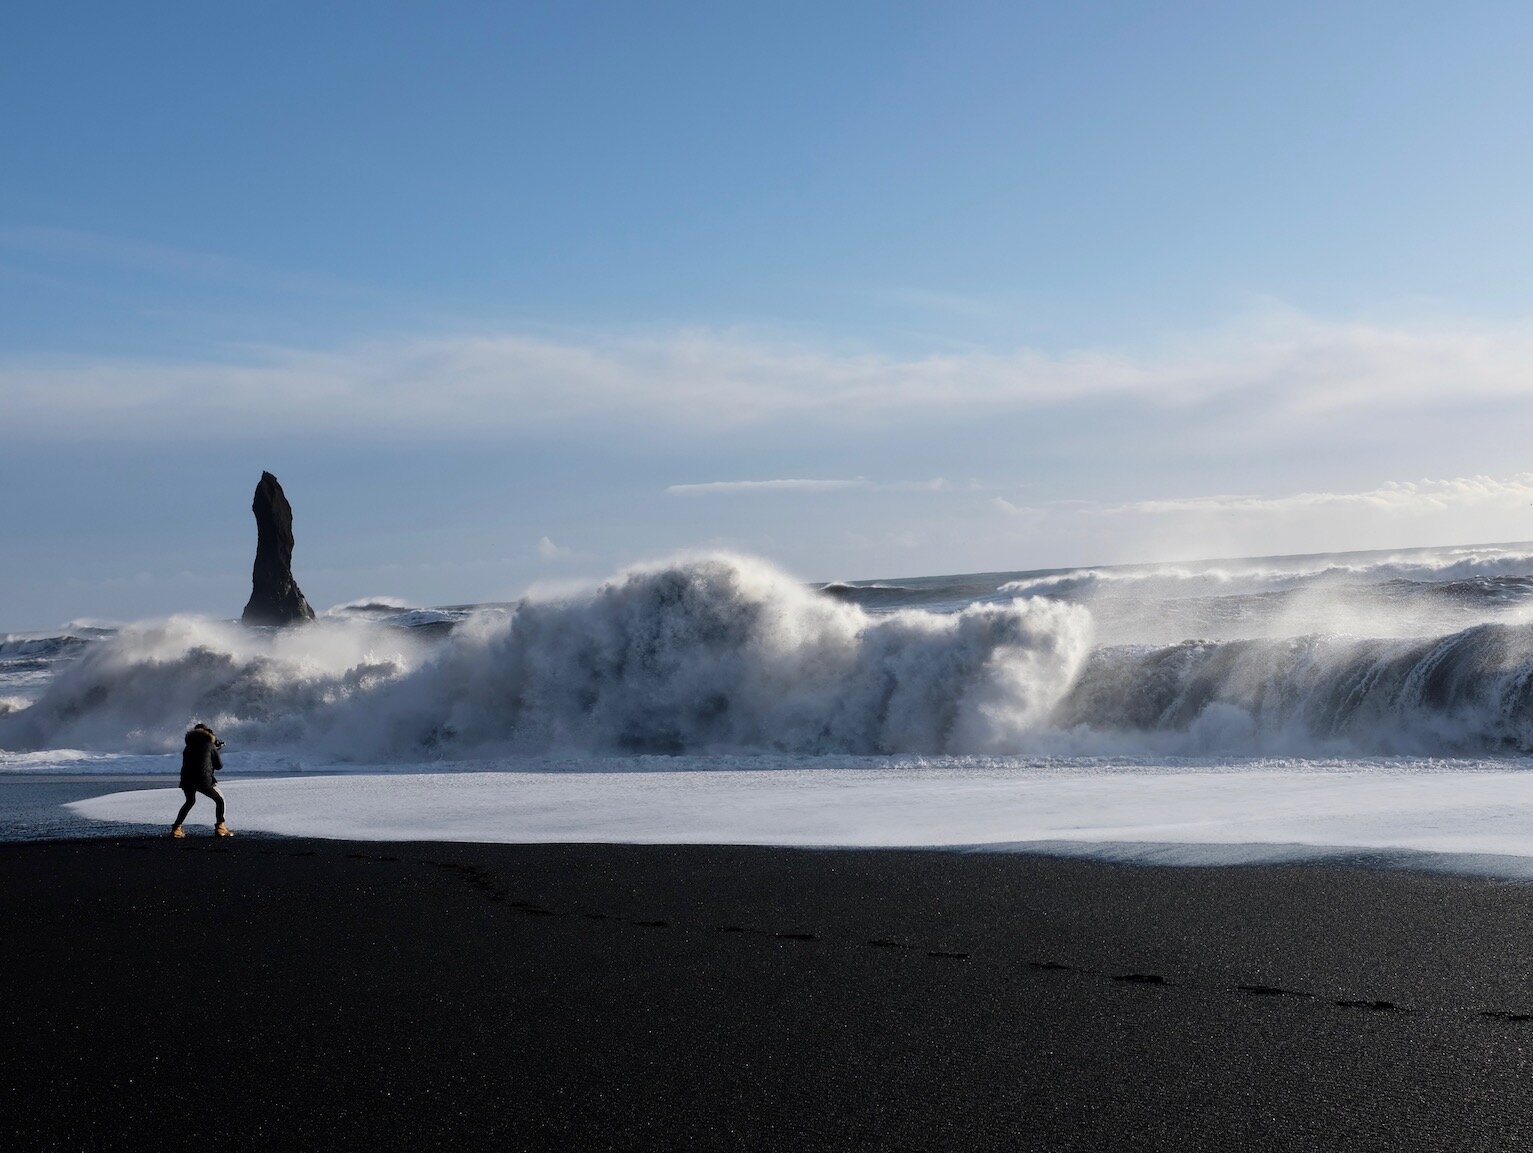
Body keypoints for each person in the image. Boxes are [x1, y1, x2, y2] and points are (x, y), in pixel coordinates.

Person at [171, 723, 232, 838]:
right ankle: (220, 827)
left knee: (190, 801)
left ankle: (176, 829)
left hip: (186, 779)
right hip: (203, 780)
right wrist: (215, 750)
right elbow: (219, 765)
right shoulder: (209, 745)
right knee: (220, 800)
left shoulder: (188, 746)